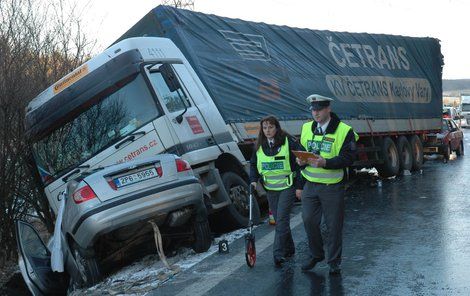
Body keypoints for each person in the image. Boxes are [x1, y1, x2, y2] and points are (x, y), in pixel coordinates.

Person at [297, 94, 358, 275]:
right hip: (310, 184)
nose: (315, 113)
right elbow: (303, 152)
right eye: (313, 110)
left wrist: (327, 163)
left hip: (332, 186)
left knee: (333, 226)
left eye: (319, 109)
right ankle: (316, 254)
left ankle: (333, 261)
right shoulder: (307, 128)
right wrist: (300, 162)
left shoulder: (344, 130)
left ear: (328, 109)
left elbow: (349, 158)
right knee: (308, 220)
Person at [250, 115, 303, 267]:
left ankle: (277, 254)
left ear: (277, 128)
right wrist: (253, 181)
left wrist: (299, 186)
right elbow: (253, 164)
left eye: (271, 127)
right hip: (271, 189)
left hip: (288, 187)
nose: (267, 130)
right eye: (265, 128)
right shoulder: (259, 145)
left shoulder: (289, 142)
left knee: (281, 220)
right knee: (281, 220)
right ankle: (290, 248)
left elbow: (300, 163)